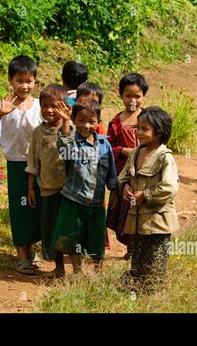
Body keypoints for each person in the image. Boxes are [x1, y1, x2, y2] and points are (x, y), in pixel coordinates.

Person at [0, 55, 43, 275]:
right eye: (19, 81)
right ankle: (21, 256)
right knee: (19, 208)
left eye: (29, 81)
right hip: (16, 165)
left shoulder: (39, 106)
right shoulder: (4, 104)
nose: (24, 86)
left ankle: (32, 250)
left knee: (35, 208)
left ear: (35, 82)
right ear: (10, 81)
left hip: (39, 165)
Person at [52, 98, 117, 274]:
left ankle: (98, 271)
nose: (86, 125)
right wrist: (65, 120)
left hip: (96, 202)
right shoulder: (73, 142)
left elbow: (111, 172)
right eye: (80, 120)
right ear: (74, 120)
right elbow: (63, 143)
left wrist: (114, 194)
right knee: (74, 236)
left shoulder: (104, 145)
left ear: (99, 123)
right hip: (74, 199)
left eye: (91, 121)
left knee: (97, 238)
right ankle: (77, 271)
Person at [118, 106, 179, 293]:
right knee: (138, 262)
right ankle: (135, 292)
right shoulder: (135, 153)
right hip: (138, 220)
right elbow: (123, 177)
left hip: (158, 221)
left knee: (156, 266)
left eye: (145, 129)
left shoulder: (164, 157)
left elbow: (170, 187)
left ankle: (153, 298)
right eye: (138, 127)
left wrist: (146, 194)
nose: (139, 132)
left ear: (159, 132)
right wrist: (126, 186)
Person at [25, 84, 69, 278]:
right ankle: (58, 267)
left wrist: (67, 122)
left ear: (65, 107)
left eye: (54, 106)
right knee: (51, 228)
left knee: (70, 228)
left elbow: (72, 148)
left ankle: (77, 268)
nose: (49, 110)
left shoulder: (74, 128)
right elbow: (32, 161)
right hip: (48, 189)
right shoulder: (38, 133)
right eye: (44, 106)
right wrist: (31, 188)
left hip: (70, 190)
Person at [106, 73, 149, 259]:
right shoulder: (116, 122)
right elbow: (109, 147)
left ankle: (140, 247)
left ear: (143, 97)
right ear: (120, 95)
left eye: (137, 96)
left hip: (146, 174)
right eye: (128, 96)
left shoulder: (148, 118)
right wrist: (124, 150)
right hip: (124, 175)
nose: (133, 100)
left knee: (142, 209)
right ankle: (130, 247)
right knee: (125, 211)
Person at [76, 82, 111, 251]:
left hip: (97, 195)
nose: (89, 105)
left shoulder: (103, 141)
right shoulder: (71, 139)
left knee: (96, 223)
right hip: (76, 196)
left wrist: (115, 189)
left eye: (93, 101)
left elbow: (109, 169)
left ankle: (98, 250)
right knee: (76, 228)